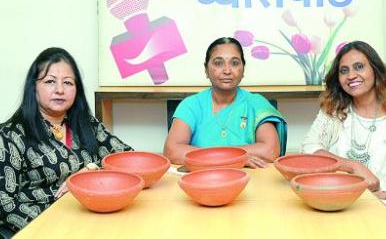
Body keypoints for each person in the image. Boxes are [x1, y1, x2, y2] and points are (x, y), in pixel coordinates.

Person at [0, 47, 132, 235]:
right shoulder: (9, 136)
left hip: (94, 221)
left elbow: (128, 159)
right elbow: (5, 205)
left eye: (68, 83)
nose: (60, 90)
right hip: (46, 229)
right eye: (50, 81)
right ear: (33, 87)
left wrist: (90, 171)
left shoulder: (87, 124)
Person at [301, 41, 386, 234]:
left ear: (375, 69)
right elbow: (309, 148)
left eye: (359, 67)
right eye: (344, 70)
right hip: (341, 204)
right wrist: (353, 166)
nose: (351, 76)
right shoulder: (334, 108)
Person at [164, 37, 287, 168]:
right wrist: (233, 158)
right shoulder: (191, 105)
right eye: (218, 63)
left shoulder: (256, 103)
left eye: (234, 63)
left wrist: (210, 157)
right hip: (201, 177)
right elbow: (172, 151)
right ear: (206, 69)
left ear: (243, 69)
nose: (227, 70)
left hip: (249, 179)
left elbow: (270, 151)